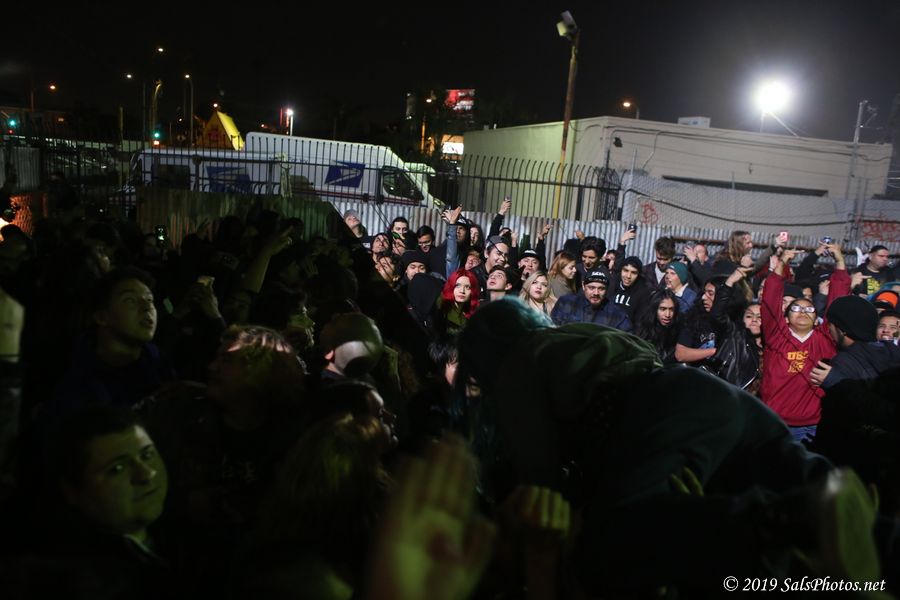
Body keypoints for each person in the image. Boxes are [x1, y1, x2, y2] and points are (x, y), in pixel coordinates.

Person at [455, 299, 878, 596]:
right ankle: (874, 540)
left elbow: (539, 480)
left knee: (614, 544)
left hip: (658, 414)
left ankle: (770, 523)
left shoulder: (516, 370)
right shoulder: (570, 335)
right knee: (803, 481)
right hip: (705, 392)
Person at [46, 267, 175, 422]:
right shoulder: (77, 387)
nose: (147, 307)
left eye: (149, 300)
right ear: (101, 317)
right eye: (130, 300)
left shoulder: (157, 359)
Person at [760, 245, 849, 442]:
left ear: (817, 319)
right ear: (785, 317)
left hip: (812, 426)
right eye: (796, 308)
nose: (802, 312)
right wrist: (782, 263)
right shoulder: (776, 335)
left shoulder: (825, 338)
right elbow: (770, 298)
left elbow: (839, 303)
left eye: (809, 310)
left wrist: (840, 262)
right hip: (774, 422)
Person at [808, 295, 900, 390]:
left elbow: (872, 398)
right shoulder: (891, 351)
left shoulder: (844, 363)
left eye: (830, 325)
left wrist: (834, 381)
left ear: (842, 329)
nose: (829, 330)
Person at [550, 267, 631, 331]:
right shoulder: (566, 303)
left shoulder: (617, 316)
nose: (596, 293)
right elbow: (551, 331)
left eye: (601, 289)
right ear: (583, 286)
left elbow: (627, 341)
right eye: (591, 288)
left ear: (607, 289)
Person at [632, 289, 680, 364]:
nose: (667, 314)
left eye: (671, 309)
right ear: (654, 309)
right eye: (663, 309)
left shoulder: (678, 328)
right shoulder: (643, 331)